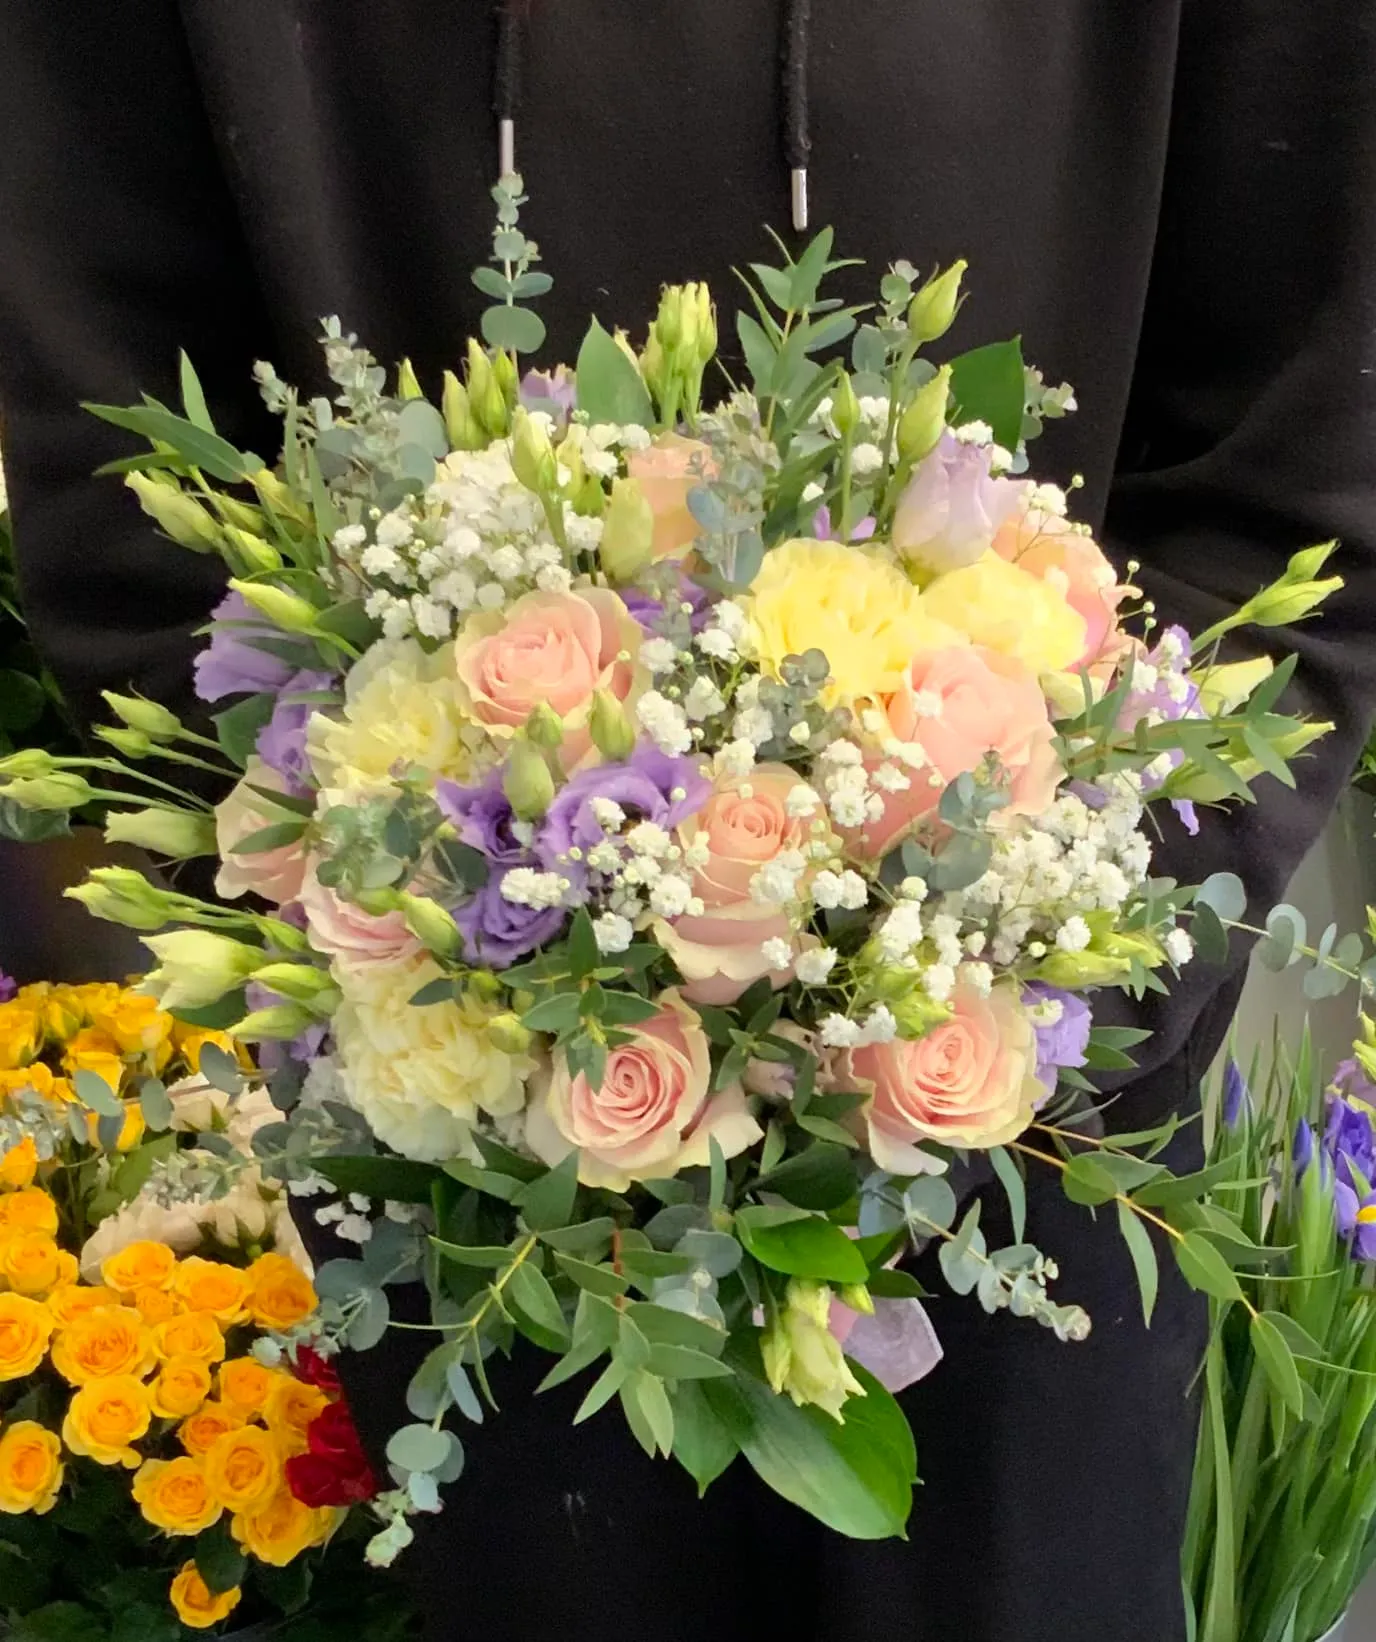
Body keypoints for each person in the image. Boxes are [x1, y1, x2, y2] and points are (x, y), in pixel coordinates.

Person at [2, 4, 1374, 1638]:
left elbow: (1313, 440)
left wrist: (1017, 954)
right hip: (474, 1164)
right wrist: (434, 957)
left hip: (1022, 1123)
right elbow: (123, 454)